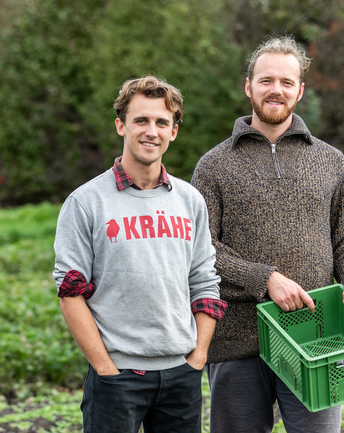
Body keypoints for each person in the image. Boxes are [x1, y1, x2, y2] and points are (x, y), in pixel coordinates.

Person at [190, 35, 344, 433]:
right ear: (248, 86)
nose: (276, 90)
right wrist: (264, 279)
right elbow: (199, 248)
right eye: (266, 80)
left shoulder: (330, 161)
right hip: (236, 342)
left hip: (315, 337)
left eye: (287, 82)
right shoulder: (213, 166)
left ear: (300, 90)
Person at [53, 76, 226, 433]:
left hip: (181, 374)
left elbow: (205, 281)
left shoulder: (189, 200)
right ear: (121, 125)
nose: (152, 131)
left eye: (162, 122)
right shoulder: (85, 202)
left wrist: (198, 357)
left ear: (173, 131)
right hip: (118, 377)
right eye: (141, 120)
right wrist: (104, 367)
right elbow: (71, 291)